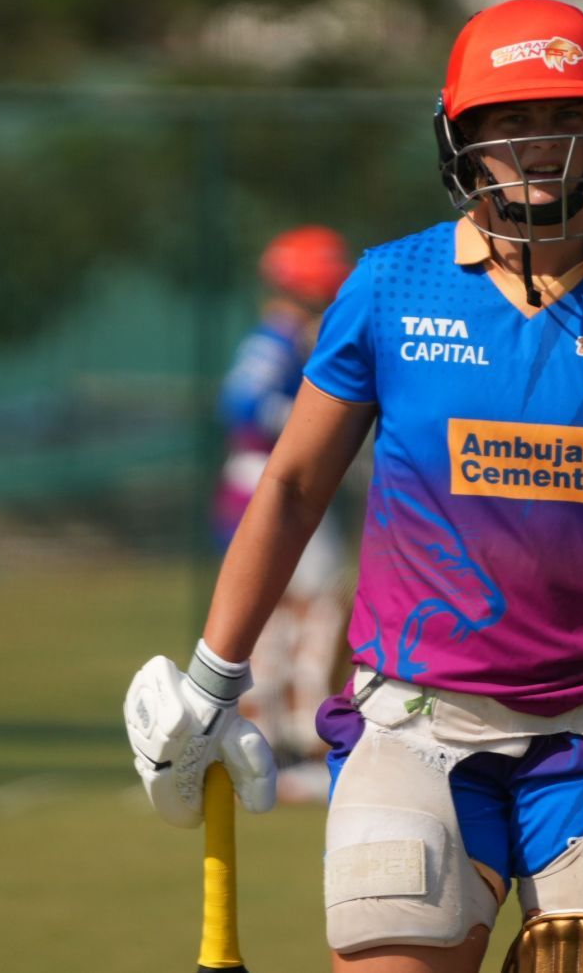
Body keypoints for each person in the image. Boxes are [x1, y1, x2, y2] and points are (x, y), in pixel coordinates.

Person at [126, 0, 583, 972]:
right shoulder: (390, 286)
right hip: (417, 715)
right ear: (462, 137)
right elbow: (296, 484)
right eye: (509, 123)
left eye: (565, 118)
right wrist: (214, 682)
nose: (539, 147)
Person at [214, 225, 356, 795]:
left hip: (259, 487)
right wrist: (312, 423)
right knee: (305, 617)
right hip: (267, 488)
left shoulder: (285, 338)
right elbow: (244, 409)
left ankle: (277, 739)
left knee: (288, 618)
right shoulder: (275, 340)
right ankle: (296, 739)